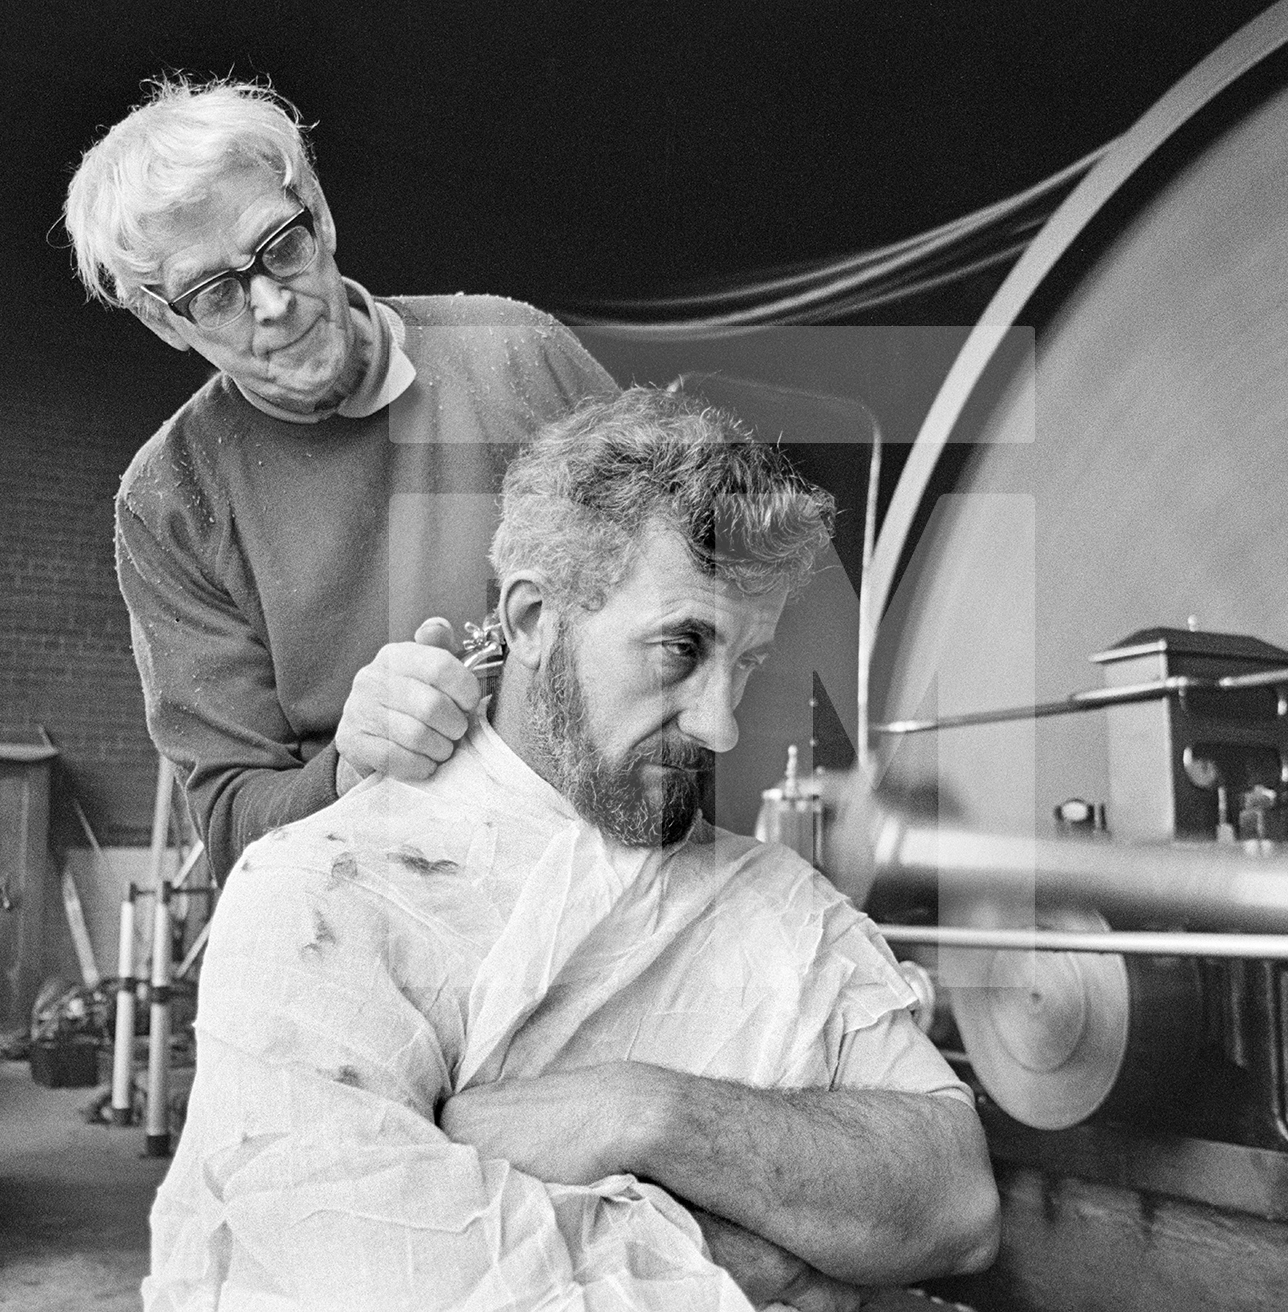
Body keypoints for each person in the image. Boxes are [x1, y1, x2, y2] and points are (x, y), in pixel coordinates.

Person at [144, 388, 1000, 1311]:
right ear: (531, 620)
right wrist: (787, 1271)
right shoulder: (326, 897)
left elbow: (956, 1202)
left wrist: (643, 1112)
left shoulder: (778, 904)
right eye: (682, 648)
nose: (720, 727)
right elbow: (382, 1283)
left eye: (745, 662)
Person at [63, 78, 617, 880]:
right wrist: (353, 766)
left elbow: (690, 589)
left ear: (318, 213)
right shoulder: (170, 500)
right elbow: (233, 830)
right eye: (215, 294)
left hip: (595, 865)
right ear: (164, 321)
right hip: (366, 904)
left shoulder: (520, 355)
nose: (272, 305)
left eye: (280, 245)